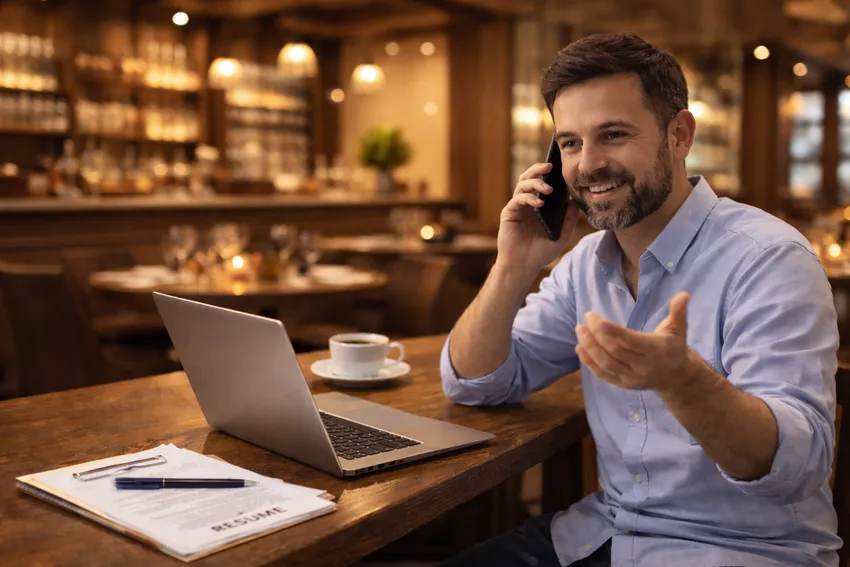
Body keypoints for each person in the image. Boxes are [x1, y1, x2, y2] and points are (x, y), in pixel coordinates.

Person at [440, 32, 841, 567]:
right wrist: (513, 266)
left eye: (613, 134)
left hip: (740, 552)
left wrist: (685, 380)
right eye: (570, 143)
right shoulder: (583, 265)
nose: (587, 165)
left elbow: (796, 468)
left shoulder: (769, 258)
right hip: (604, 532)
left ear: (679, 134)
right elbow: (476, 381)